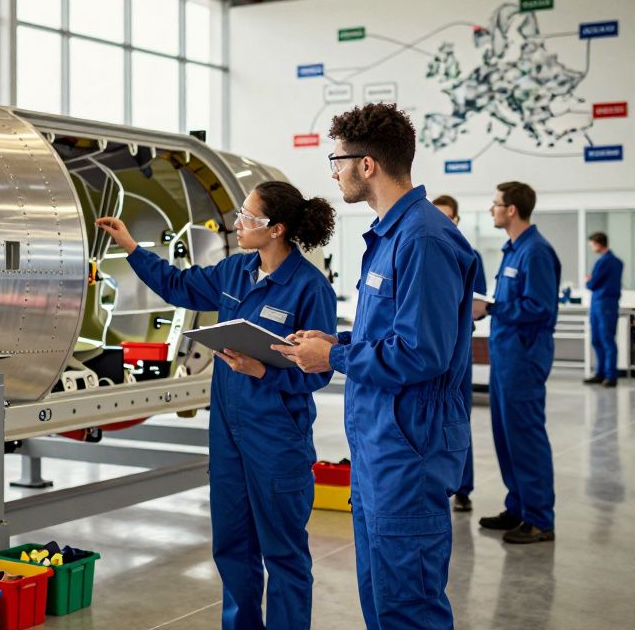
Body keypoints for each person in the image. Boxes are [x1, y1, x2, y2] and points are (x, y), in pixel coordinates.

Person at [97, 180, 336, 630]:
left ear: (278, 229)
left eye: (249, 217)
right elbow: (178, 285)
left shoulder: (309, 288)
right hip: (228, 434)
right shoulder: (235, 272)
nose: (238, 222)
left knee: (283, 554)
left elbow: (321, 371)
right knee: (232, 546)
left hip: (277, 439)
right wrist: (130, 246)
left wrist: (263, 371)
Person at [273, 103, 477, 630]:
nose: (333, 172)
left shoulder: (422, 240)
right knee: (383, 598)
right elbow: (394, 333)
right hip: (379, 446)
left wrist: (334, 357)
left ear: (367, 165)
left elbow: (422, 353)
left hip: (409, 449)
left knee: (407, 606)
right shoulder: (391, 236)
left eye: (337, 160)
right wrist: (336, 339)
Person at [474, 181, 559, 544]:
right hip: (507, 356)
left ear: (511, 210)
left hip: (524, 358)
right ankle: (519, 507)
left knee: (525, 436)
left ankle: (539, 519)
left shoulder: (536, 252)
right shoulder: (514, 250)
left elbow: (540, 308)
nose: (492, 210)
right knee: (506, 435)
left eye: (495, 205)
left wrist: (491, 307)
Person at [431, 194, 488, 513]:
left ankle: (462, 486)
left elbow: (474, 301)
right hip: (429, 347)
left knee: (457, 417)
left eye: (448, 217)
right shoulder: (423, 247)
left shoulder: (467, 253)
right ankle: (437, 483)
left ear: (456, 220)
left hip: (457, 348)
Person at [584, 231, 624, 388]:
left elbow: (592, 284)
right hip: (599, 304)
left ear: (598, 243)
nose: (592, 248)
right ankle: (600, 373)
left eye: (592, 245)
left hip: (604, 304)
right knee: (597, 340)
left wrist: (588, 280)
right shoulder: (614, 262)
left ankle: (610, 376)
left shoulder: (606, 262)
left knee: (606, 340)